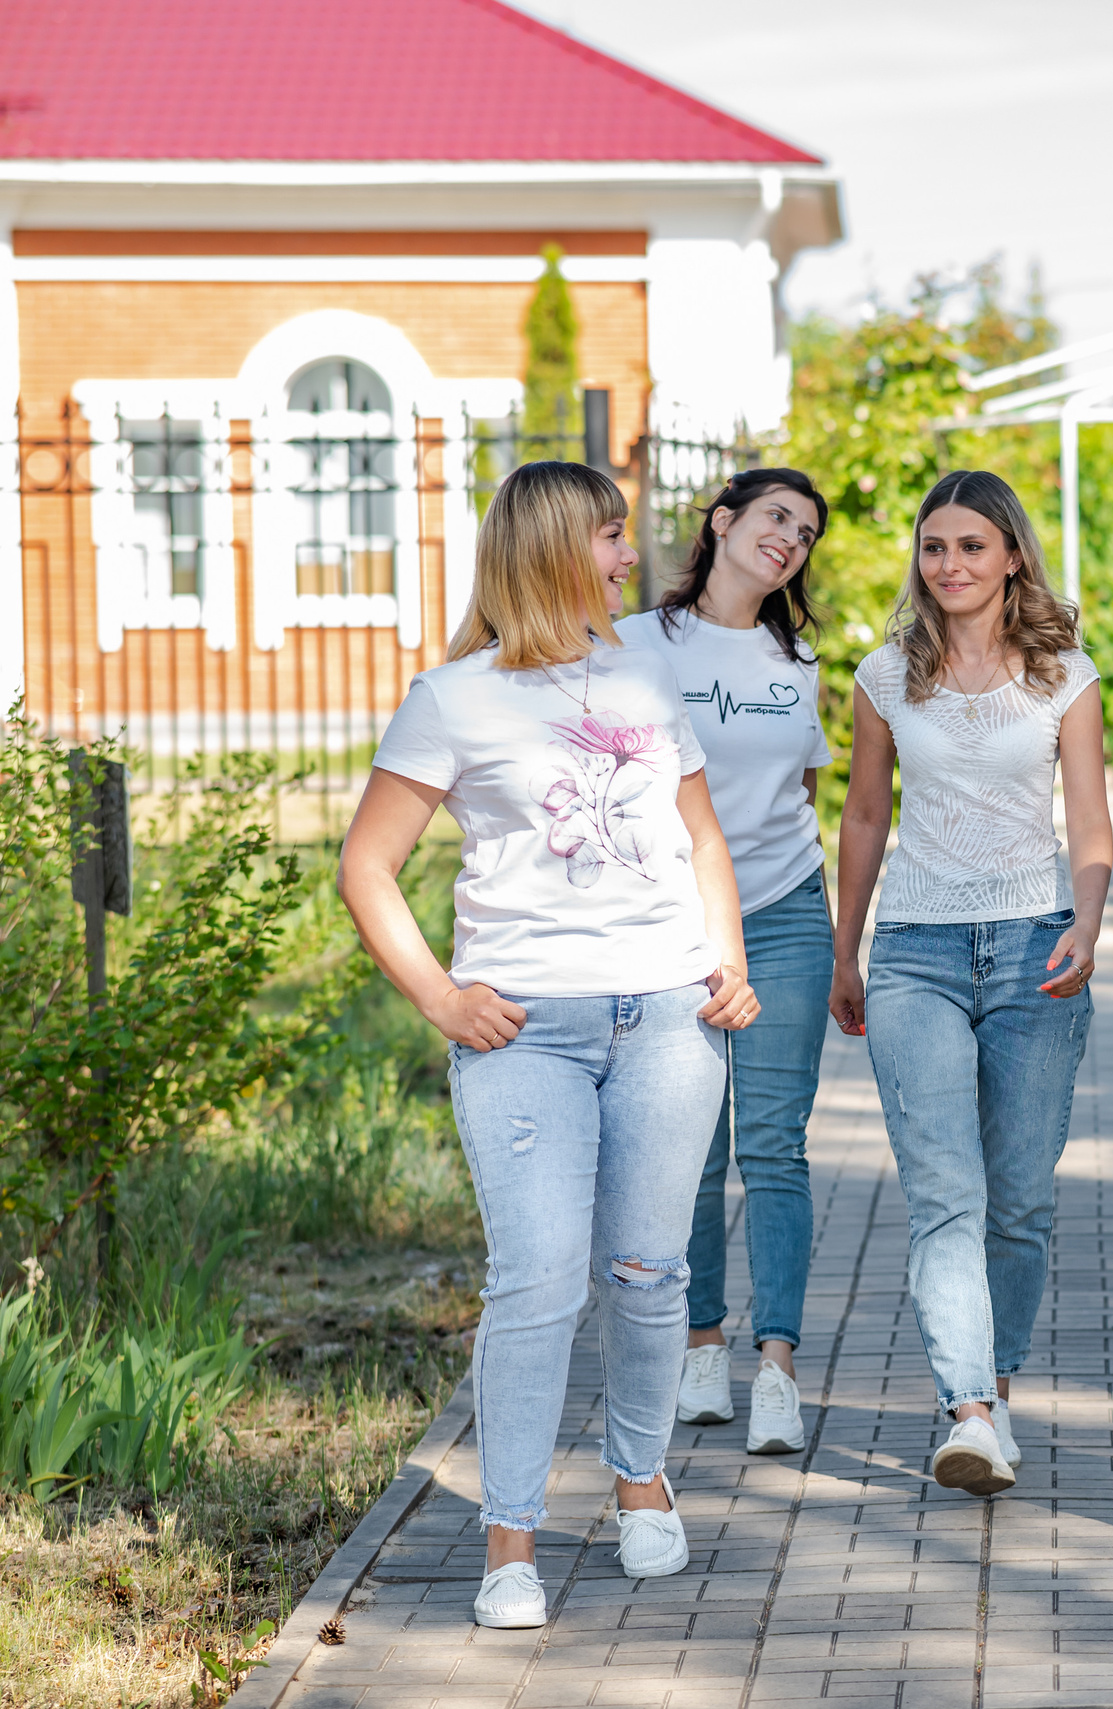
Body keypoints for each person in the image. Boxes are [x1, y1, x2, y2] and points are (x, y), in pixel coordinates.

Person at [337, 461, 761, 1630]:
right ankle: (508, 1542)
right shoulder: (452, 696)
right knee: (534, 1279)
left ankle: (640, 1483)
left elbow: (703, 839)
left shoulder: (643, 670)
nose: (631, 556)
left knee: (647, 1270)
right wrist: (438, 995)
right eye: (613, 536)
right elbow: (365, 866)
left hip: (669, 1014)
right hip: (528, 1027)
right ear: (553, 550)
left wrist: (726, 961)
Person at [830, 469, 1112, 1497]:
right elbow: (865, 816)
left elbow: (1089, 821)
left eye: (971, 546)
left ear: (1011, 559)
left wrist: (1087, 921)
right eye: (933, 546)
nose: (948, 565)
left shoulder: (1064, 677)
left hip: (1036, 944)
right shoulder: (883, 675)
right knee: (944, 1189)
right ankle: (969, 1409)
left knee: (1020, 1198)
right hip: (915, 950)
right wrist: (843, 947)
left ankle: (993, 1377)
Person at [615, 468, 833, 1457]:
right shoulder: (636, 645)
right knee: (691, 1147)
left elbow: (807, 794)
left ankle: (777, 1364)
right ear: (723, 522)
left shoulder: (801, 660)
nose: (788, 537)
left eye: (806, 530)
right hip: (674, 923)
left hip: (786, 915)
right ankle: (701, 1345)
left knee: (774, 1145)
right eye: (774, 517)